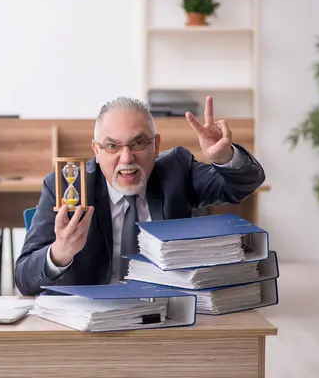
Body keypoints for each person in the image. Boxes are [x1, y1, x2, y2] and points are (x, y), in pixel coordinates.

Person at [15, 96, 265, 296]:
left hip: (166, 313)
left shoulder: (176, 171)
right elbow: (25, 279)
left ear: (156, 145)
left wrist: (223, 157)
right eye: (112, 146)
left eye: (138, 143)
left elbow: (240, 185)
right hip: (91, 325)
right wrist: (60, 252)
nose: (126, 158)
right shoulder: (67, 187)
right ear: (97, 150)